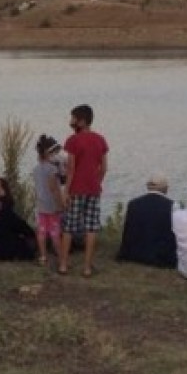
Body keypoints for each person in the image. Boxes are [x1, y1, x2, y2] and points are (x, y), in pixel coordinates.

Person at [61, 104, 108, 277]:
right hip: (93, 189)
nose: (70, 121)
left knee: (69, 227)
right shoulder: (100, 140)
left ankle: (64, 265)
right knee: (91, 227)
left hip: (76, 189)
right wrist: (97, 182)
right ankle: (87, 267)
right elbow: (103, 168)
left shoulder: (72, 141)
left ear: (81, 121)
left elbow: (71, 169)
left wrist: (66, 191)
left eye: (73, 118)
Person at [116, 174, 178, 268]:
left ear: (148, 187)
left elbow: (128, 231)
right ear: (165, 188)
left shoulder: (133, 204)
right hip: (161, 257)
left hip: (134, 254)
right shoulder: (173, 206)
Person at [32, 134, 67, 269]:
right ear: (48, 153)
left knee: (41, 231)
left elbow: (37, 188)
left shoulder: (36, 169)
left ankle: (43, 256)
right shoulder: (52, 169)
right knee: (54, 232)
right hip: (52, 206)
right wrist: (60, 204)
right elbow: (54, 189)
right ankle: (60, 256)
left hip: (41, 205)